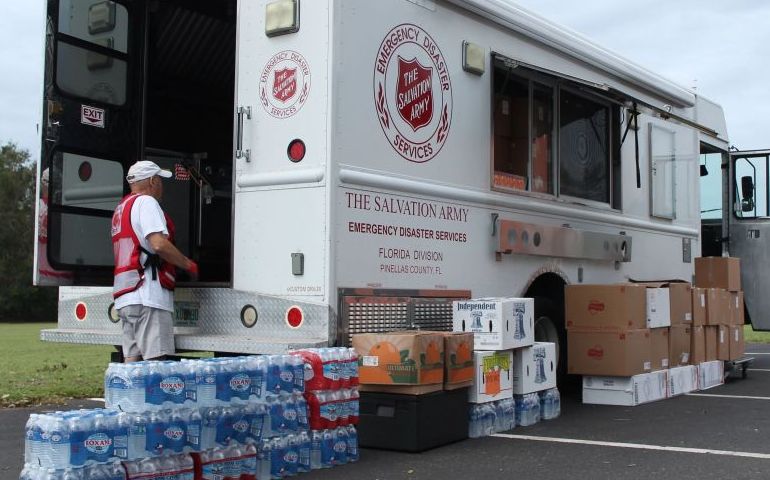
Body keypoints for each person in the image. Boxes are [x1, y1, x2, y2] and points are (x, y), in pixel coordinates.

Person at [111, 160, 198, 362]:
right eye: (159, 180)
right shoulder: (146, 203)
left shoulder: (121, 208)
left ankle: (132, 395)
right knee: (158, 366)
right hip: (147, 297)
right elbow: (158, 244)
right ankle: (157, 396)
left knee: (132, 364)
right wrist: (187, 264)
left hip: (125, 297)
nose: (161, 185)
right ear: (151, 181)